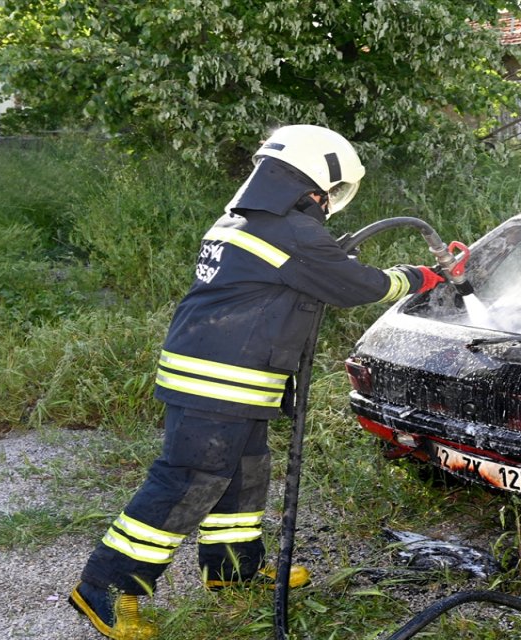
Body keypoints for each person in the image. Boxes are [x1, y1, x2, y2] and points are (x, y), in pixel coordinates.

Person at [68, 124, 444, 640]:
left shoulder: (246, 220)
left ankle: (232, 570)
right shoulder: (290, 231)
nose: (328, 201)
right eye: (328, 191)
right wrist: (419, 277)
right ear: (313, 183)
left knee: (244, 473)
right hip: (217, 381)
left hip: (229, 377)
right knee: (188, 480)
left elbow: (305, 275)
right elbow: (360, 286)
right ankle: (105, 587)